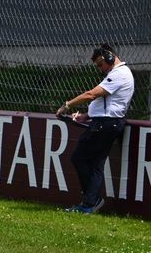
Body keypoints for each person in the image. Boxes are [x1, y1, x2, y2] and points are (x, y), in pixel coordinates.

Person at [56, 44, 134, 213]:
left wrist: (67, 105)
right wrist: (87, 116)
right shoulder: (116, 74)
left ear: (110, 58)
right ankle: (90, 203)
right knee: (96, 164)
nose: (100, 68)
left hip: (105, 124)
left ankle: (91, 202)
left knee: (79, 158)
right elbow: (109, 103)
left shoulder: (119, 74)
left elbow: (91, 94)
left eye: (100, 64)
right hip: (107, 123)